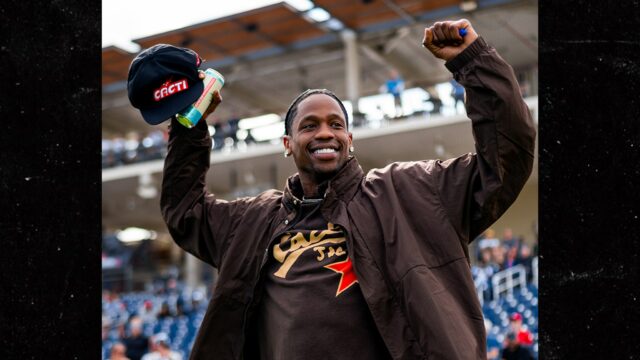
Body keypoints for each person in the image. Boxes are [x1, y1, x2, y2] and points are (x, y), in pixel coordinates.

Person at [128, 18, 535, 359]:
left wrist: (474, 61)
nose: (325, 132)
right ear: (287, 145)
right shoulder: (251, 222)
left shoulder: (409, 191)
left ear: (350, 138)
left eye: (335, 124)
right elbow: (185, 214)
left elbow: (503, 162)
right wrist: (189, 128)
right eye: (309, 125)